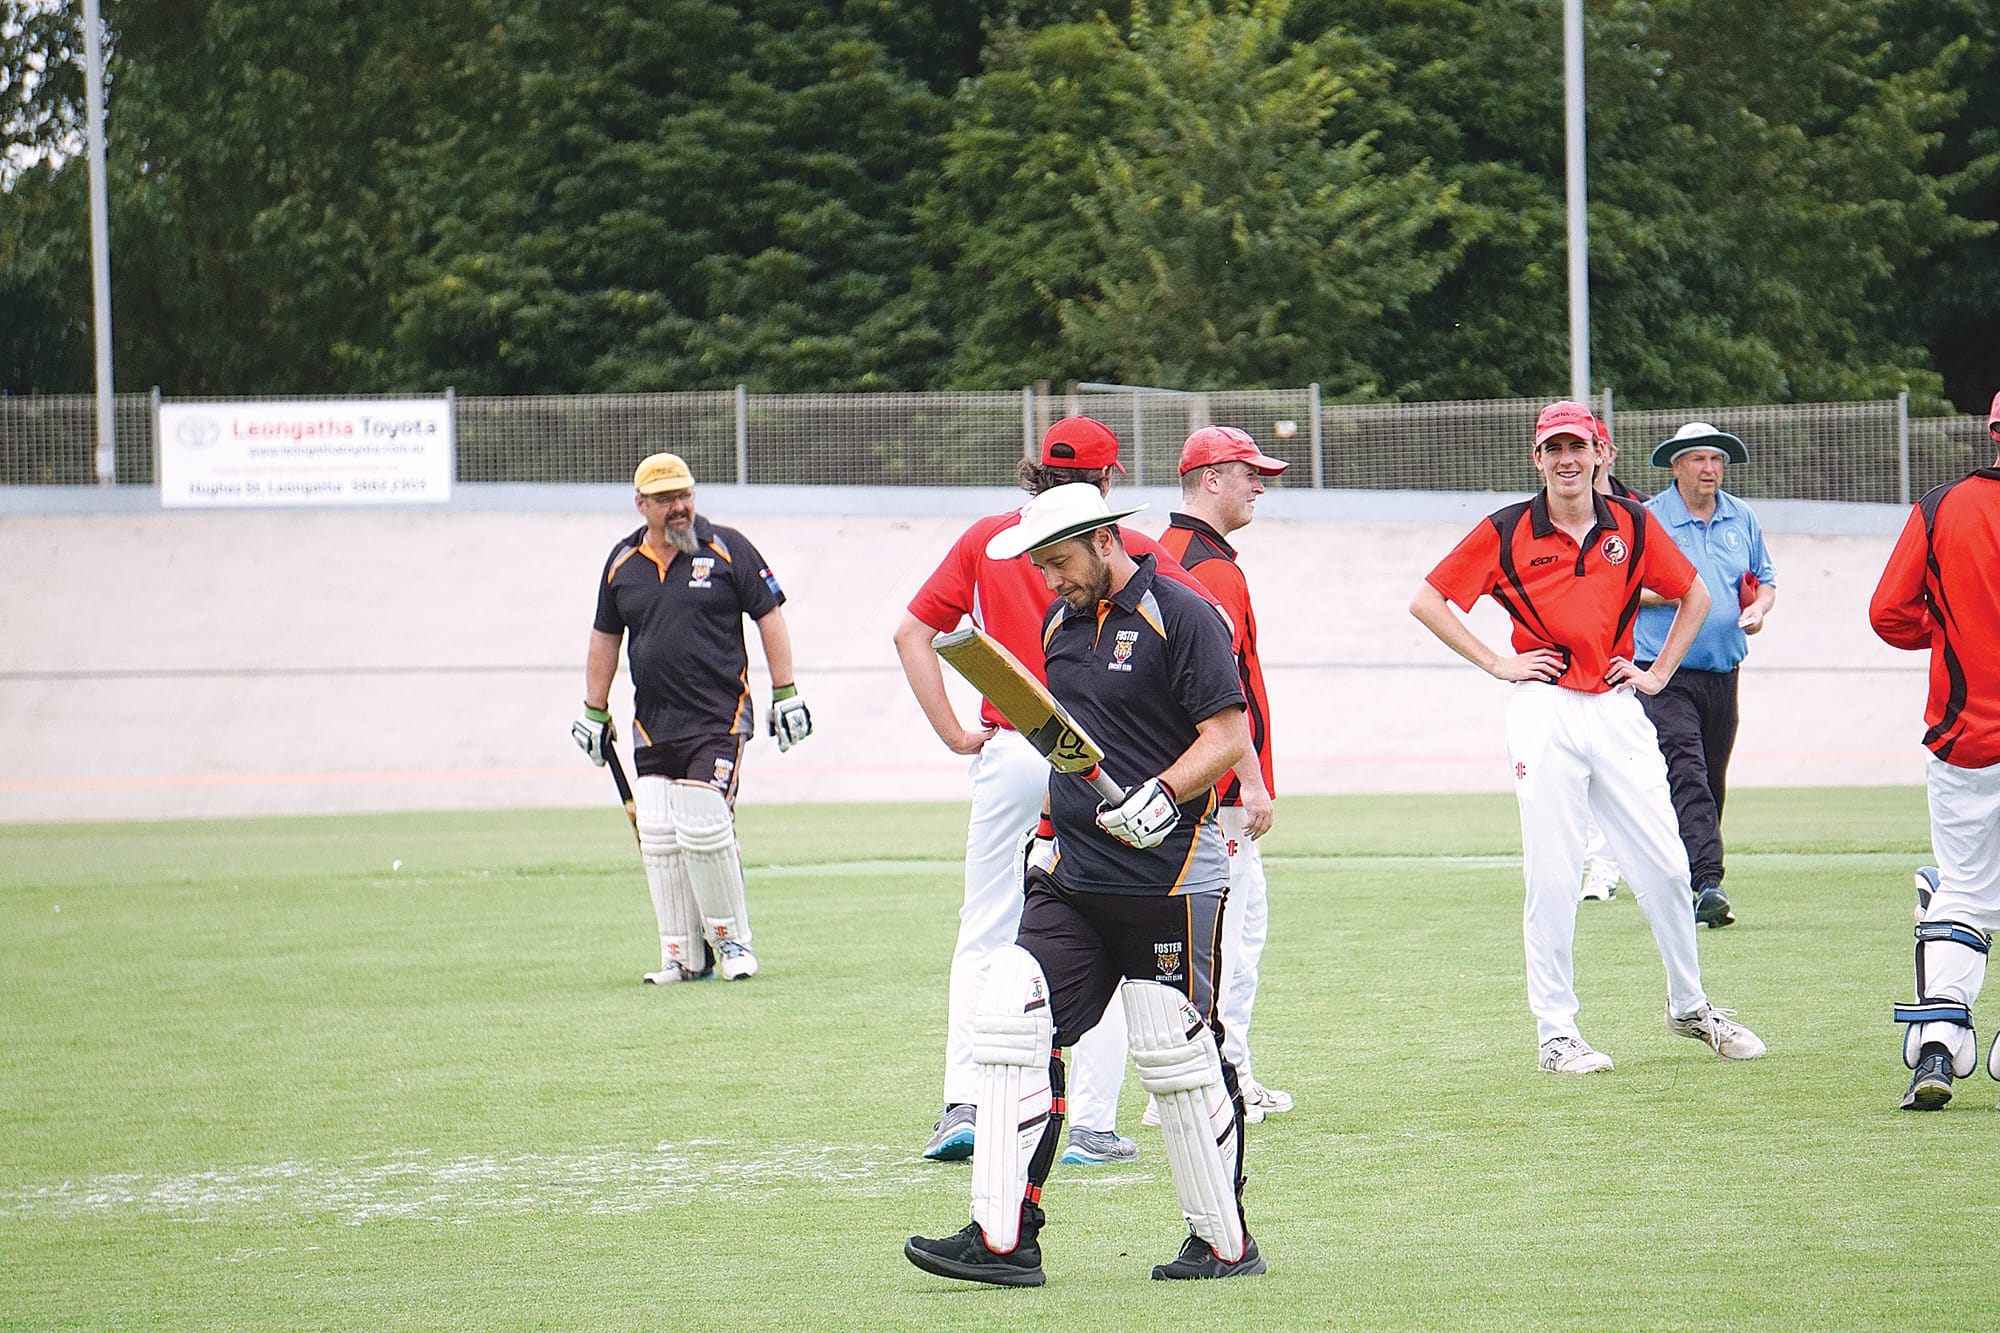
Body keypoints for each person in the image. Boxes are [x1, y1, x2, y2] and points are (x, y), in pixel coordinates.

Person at [904, 483, 1265, 1285]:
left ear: (1104, 542)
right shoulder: (1058, 621)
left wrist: (1164, 793)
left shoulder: (1186, 609)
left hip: (1171, 877)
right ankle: (1003, 1239)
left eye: (1058, 560)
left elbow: (1228, 735)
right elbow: (1065, 748)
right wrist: (1043, 839)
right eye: (1038, 563)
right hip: (1072, 876)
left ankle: (1224, 1243)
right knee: (1014, 1021)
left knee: (1180, 1050)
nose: (1048, 578)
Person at [1408, 400, 1766, 1074]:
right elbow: (1428, 599)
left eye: (1579, 447)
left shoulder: (1631, 522)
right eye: (1554, 449)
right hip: (1543, 707)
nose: (1567, 460)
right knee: (1552, 871)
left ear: (1601, 454)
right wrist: (1496, 662)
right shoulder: (1507, 528)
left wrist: (1658, 672)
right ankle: (1556, 1033)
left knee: (1664, 862)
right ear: (1537, 457)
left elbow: (1694, 595)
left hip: (1617, 704)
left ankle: (1690, 1005)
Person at [895, 417, 1208, 1166]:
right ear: (1109, 481)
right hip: (1102, 758)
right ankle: (1092, 1125)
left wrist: (953, 733)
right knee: (1106, 923)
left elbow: (914, 632)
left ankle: (966, 1099)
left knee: (988, 925)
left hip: (1011, 748)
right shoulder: (1121, 545)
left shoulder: (987, 537)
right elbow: (1206, 629)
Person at [572, 452, 812, 984]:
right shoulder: (621, 562)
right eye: (665, 500)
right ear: (641, 505)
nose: (679, 508)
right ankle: (683, 954)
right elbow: (604, 638)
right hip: (652, 723)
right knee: (659, 833)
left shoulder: (727, 547)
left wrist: (787, 692)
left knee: (704, 823)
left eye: (685, 496)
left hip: (720, 719)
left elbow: (769, 616)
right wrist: (594, 710)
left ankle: (732, 946)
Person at [1154, 425, 1291, 1124]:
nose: (1260, 484)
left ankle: (1203, 1074)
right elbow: (1221, 683)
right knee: (1230, 938)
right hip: (1218, 789)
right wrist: (1251, 780)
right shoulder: (1209, 567)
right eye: (1250, 473)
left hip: (1184, 782)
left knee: (1206, 936)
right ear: (1212, 478)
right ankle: (1218, 1078)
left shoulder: (1165, 553)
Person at [1876, 389, 2000, 1111]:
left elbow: (1887, 611)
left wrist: (1950, 633)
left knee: (1961, 887)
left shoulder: (1941, 505)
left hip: (1964, 735)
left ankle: (1937, 1042)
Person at [1632, 422, 1778, 929]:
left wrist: (1757, 610)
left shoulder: (1744, 517)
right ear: (1677, 467)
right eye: (1698, 460)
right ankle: (1707, 882)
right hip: (1664, 672)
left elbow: (1764, 583)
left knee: (1711, 780)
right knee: (1687, 771)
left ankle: (1678, 872)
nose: (1710, 469)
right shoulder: (1649, 520)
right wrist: (1679, 597)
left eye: (1717, 460)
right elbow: (1625, 589)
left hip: (1724, 671)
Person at [1580, 415, 1646, 901]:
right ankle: (1599, 868)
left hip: (1631, 667)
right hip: (1574, 671)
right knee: (1582, 776)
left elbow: (1680, 583)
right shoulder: (1551, 512)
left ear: (1607, 453)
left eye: (1589, 444)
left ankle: (1650, 866)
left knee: (1634, 776)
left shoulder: (1638, 512)